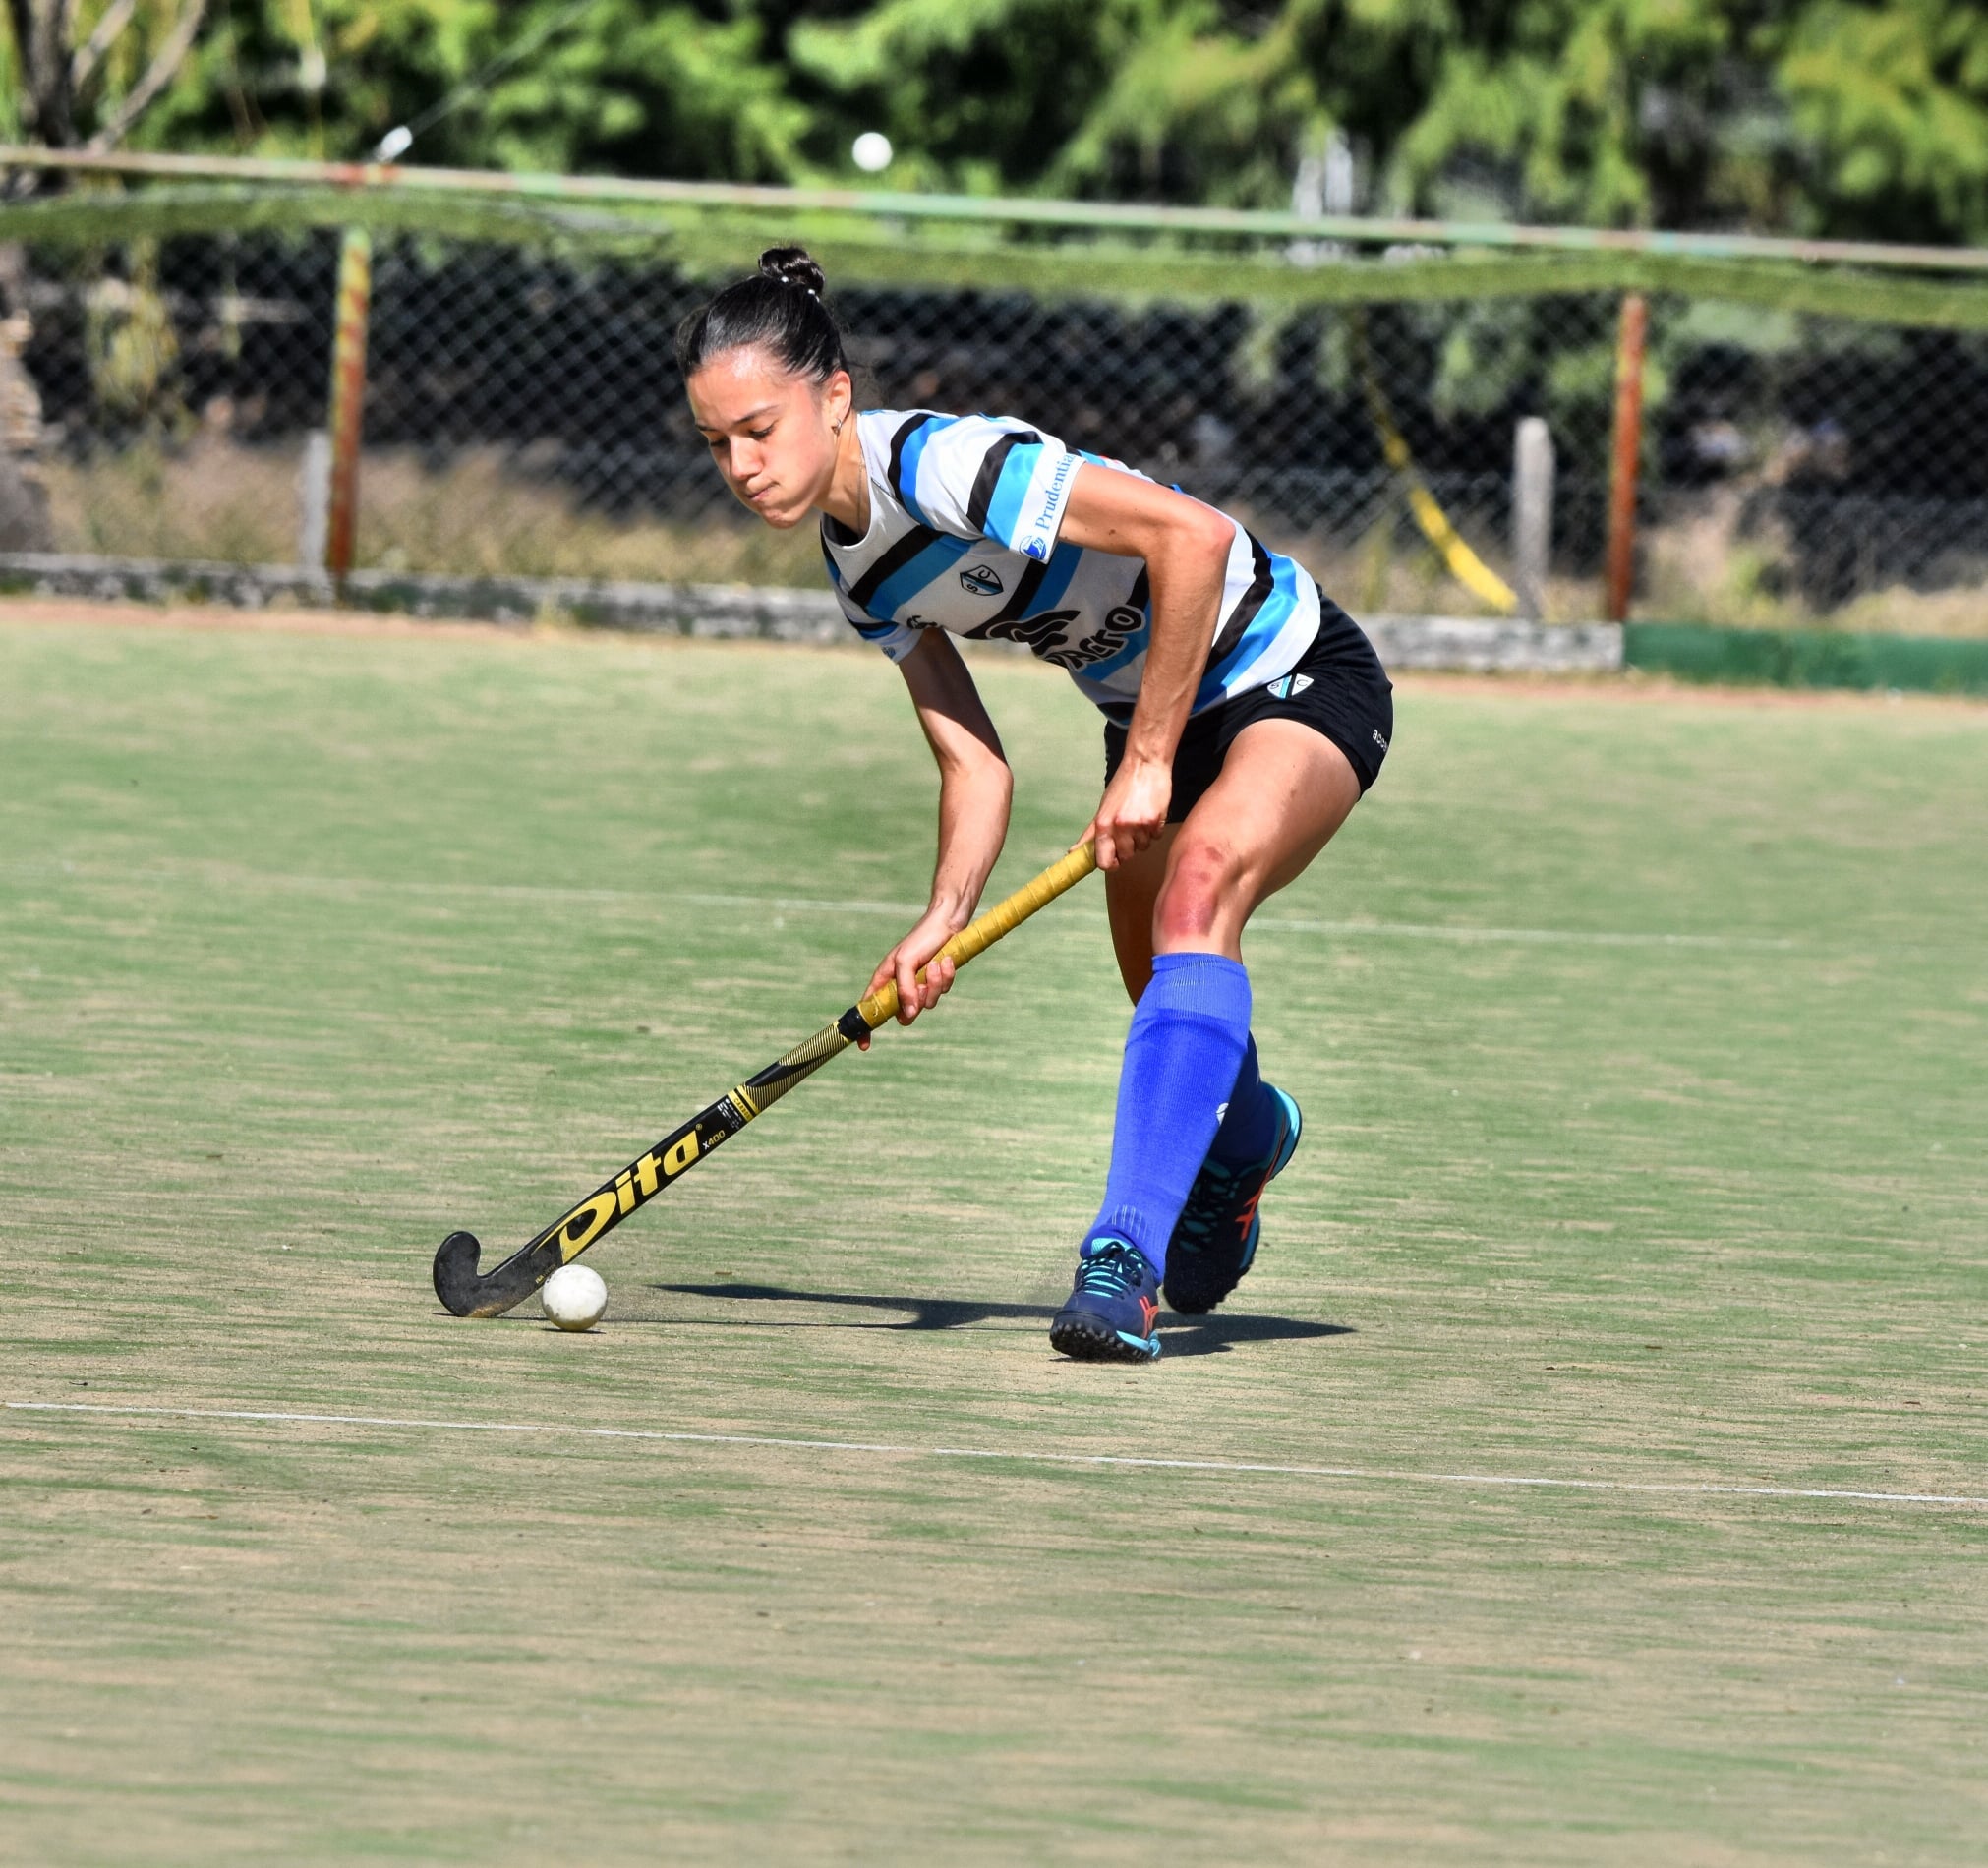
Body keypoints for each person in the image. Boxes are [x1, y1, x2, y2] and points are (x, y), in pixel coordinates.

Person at [678, 248, 1391, 1365]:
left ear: (833, 396)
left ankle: (1121, 1265)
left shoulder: (951, 468)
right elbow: (975, 764)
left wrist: (1150, 758)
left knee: (1196, 894)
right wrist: (942, 916)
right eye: (717, 442)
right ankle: (1247, 1141)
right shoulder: (859, 568)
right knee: (1169, 997)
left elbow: (1190, 539)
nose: (741, 464)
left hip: (1285, 668)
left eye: (759, 429)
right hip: (1151, 718)